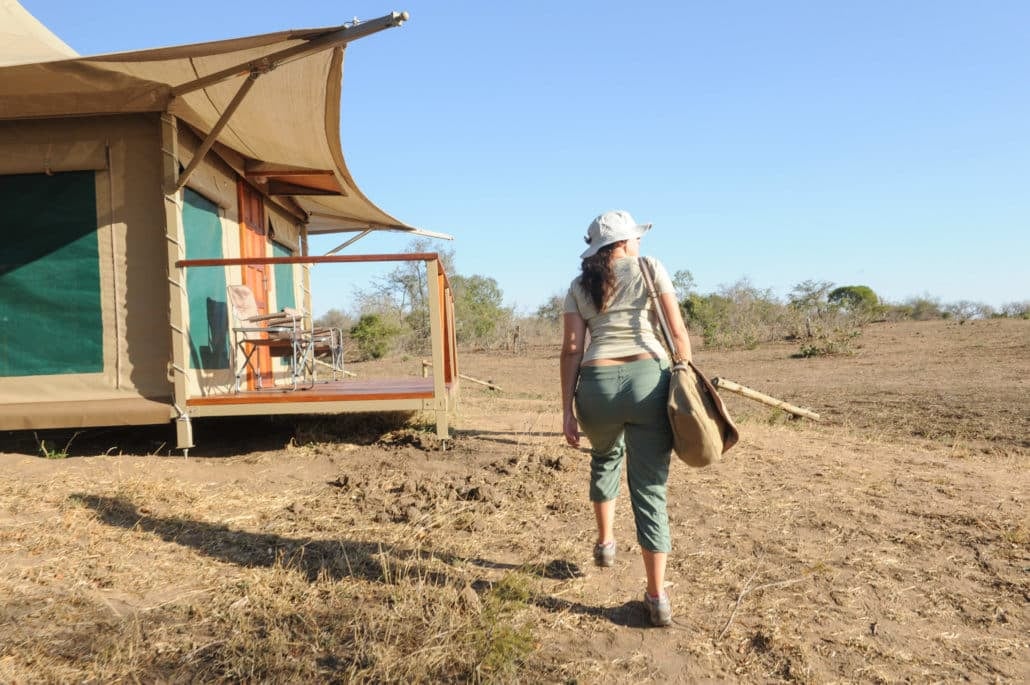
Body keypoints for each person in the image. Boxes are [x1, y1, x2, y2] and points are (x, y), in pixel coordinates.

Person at [560, 209, 692, 627]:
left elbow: (571, 349)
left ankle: (605, 543)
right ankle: (656, 596)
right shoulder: (650, 268)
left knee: (604, 459)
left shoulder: (579, 285)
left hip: (595, 387)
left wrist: (566, 409)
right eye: (635, 238)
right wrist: (685, 380)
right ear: (625, 243)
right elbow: (678, 332)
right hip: (647, 379)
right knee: (650, 487)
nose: (639, 244)